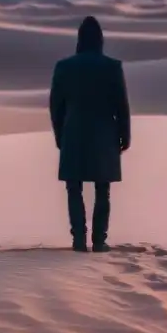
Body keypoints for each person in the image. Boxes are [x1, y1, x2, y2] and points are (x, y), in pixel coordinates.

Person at [49, 16, 131, 253]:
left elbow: (56, 106)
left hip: (73, 132)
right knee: (102, 188)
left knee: (73, 187)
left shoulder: (64, 67)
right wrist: (125, 135)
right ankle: (98, 240)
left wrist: (59, 135)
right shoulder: (112, 67)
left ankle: (78, 240)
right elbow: (121, 106)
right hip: (104, 134)